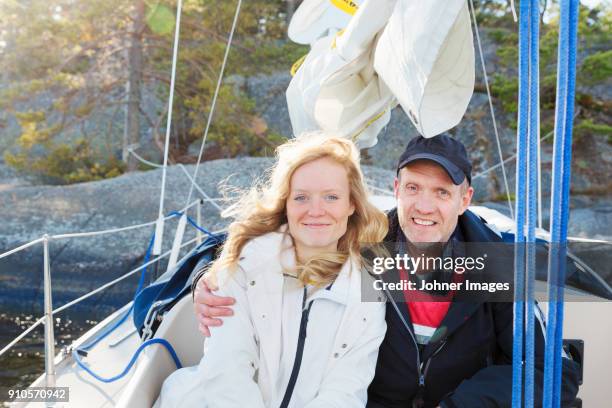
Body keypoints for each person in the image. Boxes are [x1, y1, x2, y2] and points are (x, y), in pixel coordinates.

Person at [194, 134, 581, 407]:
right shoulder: (364, 241)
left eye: (442, 192)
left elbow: (554, 373)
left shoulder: (495, 264)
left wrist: (460, 404)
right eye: (413, 188)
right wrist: (203, 279)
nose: (424, 206)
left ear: (465, 200)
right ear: (396, 188)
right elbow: (279, 234)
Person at [158, 134, 388, 407]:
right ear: (285, 204)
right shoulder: (245, 265)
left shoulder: (369, 290)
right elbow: (227, 371)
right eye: (301, 197)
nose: (316, 210)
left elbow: (345, 391)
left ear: (351, 204)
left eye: (331, 197)